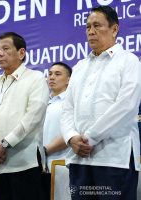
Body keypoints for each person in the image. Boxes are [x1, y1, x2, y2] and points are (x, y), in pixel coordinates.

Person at [61, 6, 141, 200]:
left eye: (97, 25)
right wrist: (71, 138)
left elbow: (126, 106)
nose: (91, 31)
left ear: (114, 29)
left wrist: (89, 138)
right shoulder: (79, 67)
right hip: (80, 160)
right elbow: (67, 108)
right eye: (88, 26)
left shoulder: (129, 61)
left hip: (114, 159)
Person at [0, 32, 49, 200]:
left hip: (25, 163)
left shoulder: (35, 78)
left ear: (21, 53)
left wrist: (3, 145)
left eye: (5, 49)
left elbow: (32, 118)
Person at [41, 62, 72, 171]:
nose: (52, 77)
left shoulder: (71, 102)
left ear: (68, 80)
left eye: (57, 74)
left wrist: (44, 151)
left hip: (61, 163)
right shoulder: (43, 103)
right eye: (50, 74)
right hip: (39, 165)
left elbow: (72, 132)